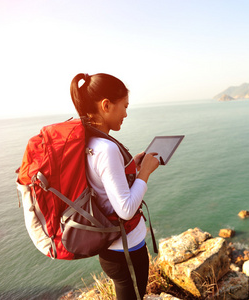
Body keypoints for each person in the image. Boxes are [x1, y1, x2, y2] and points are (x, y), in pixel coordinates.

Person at [70, 73, 159, 299]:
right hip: (126, 250)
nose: (126, 114)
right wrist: (145, 173)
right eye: (124, 106)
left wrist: (131, 168)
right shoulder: (107, 149)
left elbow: (101, 184)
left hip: (111, 248)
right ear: (106, 105)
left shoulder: (89, 140)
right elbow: (126, 209)